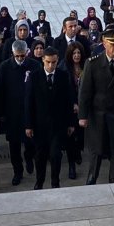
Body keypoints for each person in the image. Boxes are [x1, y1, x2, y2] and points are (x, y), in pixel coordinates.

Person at [79, 25, 114, 184]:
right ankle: (92, 178)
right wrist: (83, 116)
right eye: (112, 44)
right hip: (99, 114)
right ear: (104, 43)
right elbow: (85, 92)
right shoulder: (92, 63)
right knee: (97, 150)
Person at [25, 49, 76, 189]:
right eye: (48, 62)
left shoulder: (63, 76)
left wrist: (71, 123)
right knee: (40, 155)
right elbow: (29, 102)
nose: (51, 65)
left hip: (58, 124)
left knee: (55, 155)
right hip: (39, 125)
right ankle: (39, 181)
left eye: (54, 62)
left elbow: (69, 101)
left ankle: (55, 181)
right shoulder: (34, 76)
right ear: (43, 60)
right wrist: (28, 125)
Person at [0, 39, 39, 185]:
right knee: (14, 146)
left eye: (23, 56)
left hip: (29, 112)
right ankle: (17, 171)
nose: (21, 59)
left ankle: (29, 158)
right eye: (18, 56)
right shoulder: (5, 67)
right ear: (13, 54)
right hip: (12, 113)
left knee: (30, 142)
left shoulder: (34, 65)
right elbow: (1, 90)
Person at [62, 42, 87, 180]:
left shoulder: (86, 66)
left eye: (78, 53)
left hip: (84, 108)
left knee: (81, 136)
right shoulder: (65, 68)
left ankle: (78, 150)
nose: (76, 56)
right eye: (74, 53)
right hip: (70, 109)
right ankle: (72, 166)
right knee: (70, 138)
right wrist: (72, 103)